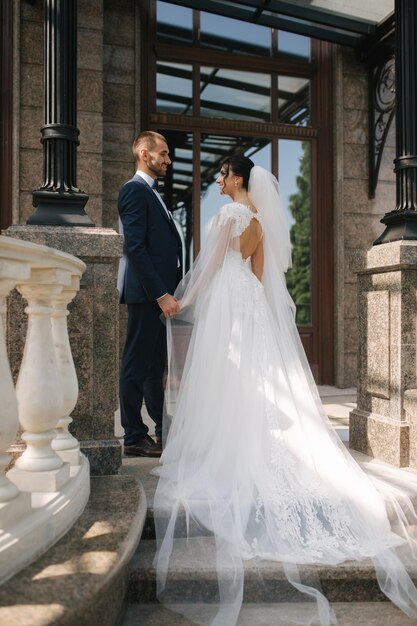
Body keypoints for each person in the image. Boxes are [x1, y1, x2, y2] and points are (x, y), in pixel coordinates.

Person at [153, 155, 417, 625]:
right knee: (254, 376)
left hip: (229, 304)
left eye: (220, 174)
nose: (217, 180)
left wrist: (183, 300)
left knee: (228, 378)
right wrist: (248, 306)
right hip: (250, 301)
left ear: (235, 176)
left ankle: (225, 443)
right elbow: (256, 272)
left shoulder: (230, 214)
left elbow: (211, 266)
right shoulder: (258, 218)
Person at [118, 131, 182, 458]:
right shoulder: (134, 192)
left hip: (157, 296)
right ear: (146, 154)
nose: (168, 160)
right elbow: (136, 249)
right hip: (147, 296)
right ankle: (133, 435)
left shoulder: (152, 193)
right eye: (164, 154)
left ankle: (161, 429)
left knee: (154, 367)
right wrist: (160, 294)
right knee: (135, 365)